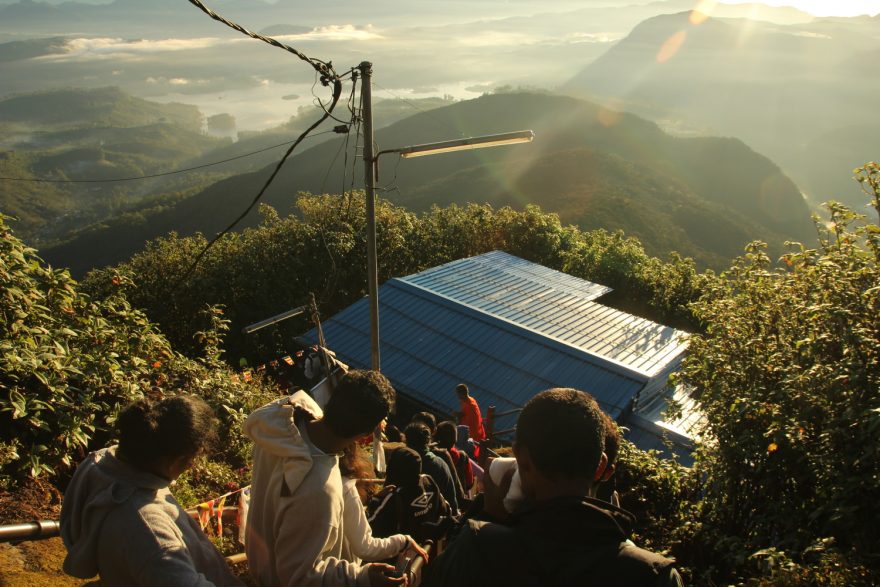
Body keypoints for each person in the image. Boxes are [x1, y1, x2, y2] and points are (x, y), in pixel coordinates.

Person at [423, 388, 684, 587]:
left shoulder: (478, 550)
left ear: (522, 461)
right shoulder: (655, 575)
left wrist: (488, 516)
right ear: (600, 466)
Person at [243, 369, 405, 587]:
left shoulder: (281, 426)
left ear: (331, 398)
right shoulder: (320, 489)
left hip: (261, 568)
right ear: (367, 435)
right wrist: (362, 577)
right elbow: (297, 577)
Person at [60, 395, 243, 586]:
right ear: (176, 460)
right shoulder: (151, 536)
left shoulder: (112, 463)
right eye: (194, 457)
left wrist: (201, 516)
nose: (193, 465)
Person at [338, 443, 427, 566]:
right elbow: (365, 546)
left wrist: (375, 501)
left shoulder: (317, 478)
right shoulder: (426, 485)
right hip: (343, 572)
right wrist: (404, 541)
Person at [367, 447, 452, 544]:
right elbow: (446, 509)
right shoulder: (428, 481)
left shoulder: (394, 497)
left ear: (394, 468)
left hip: (406, 553)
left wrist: (375, 500)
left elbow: (369, 527)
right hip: (430, 549)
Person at [403, 422, 459, 516]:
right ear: (428, 441)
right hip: (436, 520)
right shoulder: (440, 464)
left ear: (407, 441)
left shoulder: (402, 462)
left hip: (407, 520)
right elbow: (452, 499)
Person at [434, 421, 474, 496]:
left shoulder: (431, 454)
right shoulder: (462, 456)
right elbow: (469, 484)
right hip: (457, 498)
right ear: (455, 438)